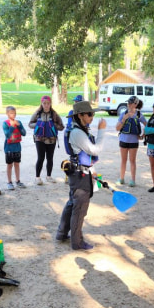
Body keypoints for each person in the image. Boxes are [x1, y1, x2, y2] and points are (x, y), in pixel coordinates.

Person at [56, 101, 106, 250]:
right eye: (89, 114)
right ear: (80, 116)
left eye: (92, 114)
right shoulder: (78, 133)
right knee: (80, 209)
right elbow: (94, 150)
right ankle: (77, 242)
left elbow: (87, 155)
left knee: (72, 204)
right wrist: (102, 131)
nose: (92, 116)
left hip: (80, 173)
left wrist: (93, 171)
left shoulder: (80, 130)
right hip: (80, 177)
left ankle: (62, 233)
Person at [28, 95, 64, 185]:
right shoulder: (37, 114)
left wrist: (53, 125)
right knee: (40, 158)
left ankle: (49, 176)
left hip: (51, 139)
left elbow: (61, 127)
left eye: (48, 103)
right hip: (39, 139)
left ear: (50, 104)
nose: (46, 105)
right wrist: (38, 124)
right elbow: (30, 124)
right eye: (44, 103)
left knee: (50, 158)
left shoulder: (54, 114)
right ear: (41, 103)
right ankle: (37, 177)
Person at [116, 96, 147, 187]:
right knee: (123, 160)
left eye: (130, 103)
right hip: (123, 140)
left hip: (134, 141)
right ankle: (121, 178)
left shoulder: (139, 115)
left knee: (132, 161)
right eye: (128, 103)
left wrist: (143, 136)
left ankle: (133, 180)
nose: (128, 104)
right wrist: (124, 119)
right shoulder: (123, 113)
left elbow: (147, 125)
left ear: (135, 104)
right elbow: (117, 128)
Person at [3, 106, 27, 190]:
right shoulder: (5, 123)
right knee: (9, 165)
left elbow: (24, 133)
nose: (13, 115)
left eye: (14, 113)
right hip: (9, 148)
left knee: (17, 164)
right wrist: (12, 126)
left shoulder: (18, 122)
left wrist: (19, 126)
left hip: (17, 147)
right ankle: (9, 182)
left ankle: (18, 181)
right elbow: (7, 135)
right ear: (7, 114)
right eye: (11, 113)